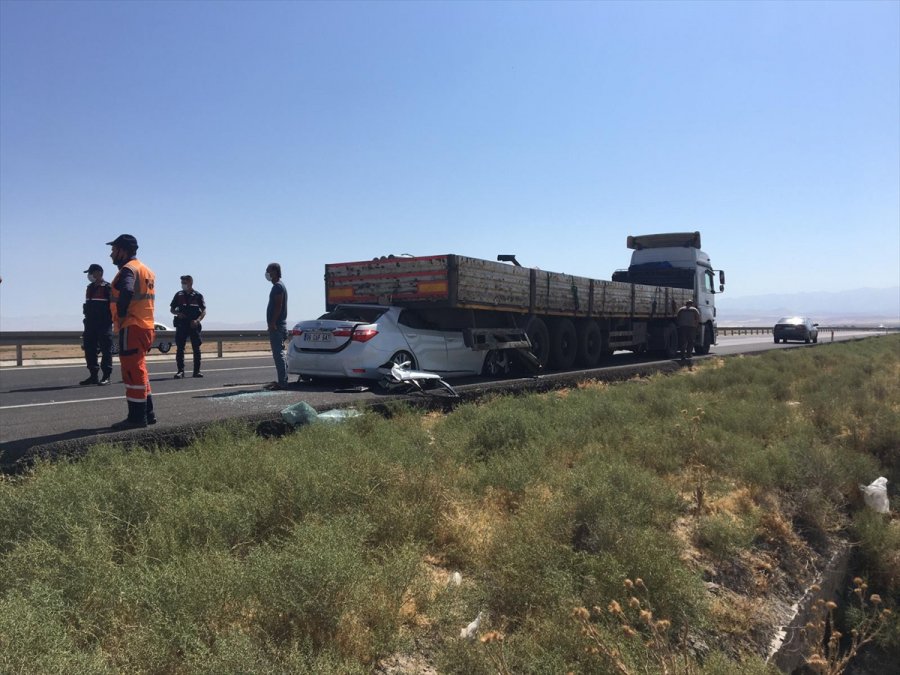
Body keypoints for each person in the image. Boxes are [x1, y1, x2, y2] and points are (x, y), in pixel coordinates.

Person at [107, 234, 157, 429]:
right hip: (145, 325)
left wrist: (120, 315)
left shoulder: (129, 270)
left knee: (131, 371)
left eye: (114, 249)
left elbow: (126, 291)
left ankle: (136, 418)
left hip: (132, 325)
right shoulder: (146, 270)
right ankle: (148, 412)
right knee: (140, 369)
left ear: (123, 251)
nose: (111, 253)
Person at [80, 263, 114, 386]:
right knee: (89, 349)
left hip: (103, 324)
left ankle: (106, 376)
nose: (89, 275)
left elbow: (113, 306)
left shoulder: (107, 288)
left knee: (106, 349)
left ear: (99, 273)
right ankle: (93, 375)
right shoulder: (89, 287)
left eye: (91, 273)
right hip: (90, 324)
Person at [170, 275, 206, 378]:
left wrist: (198, 321)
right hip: (182, 325)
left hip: (193, 325)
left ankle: (197, 371)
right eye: (182, 283)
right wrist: (178, 313)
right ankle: (180, 371)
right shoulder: (178, 295)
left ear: (190, 283)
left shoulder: (198, 295)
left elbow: (203, 311)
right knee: (180, 348)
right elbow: (172, 309)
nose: (183, 285)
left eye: (185, 282)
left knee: (196, 348)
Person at [265, 262, 289, 389]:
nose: (267, 274)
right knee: (280, 353)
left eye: (268, 271)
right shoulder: (278, 286)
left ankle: (282, 382)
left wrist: (273, 322)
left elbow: (278, 305)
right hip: (278, 325)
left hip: (277, 325)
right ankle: (283, 380)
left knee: (278, 354)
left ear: (275, 272)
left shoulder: (278, 287)